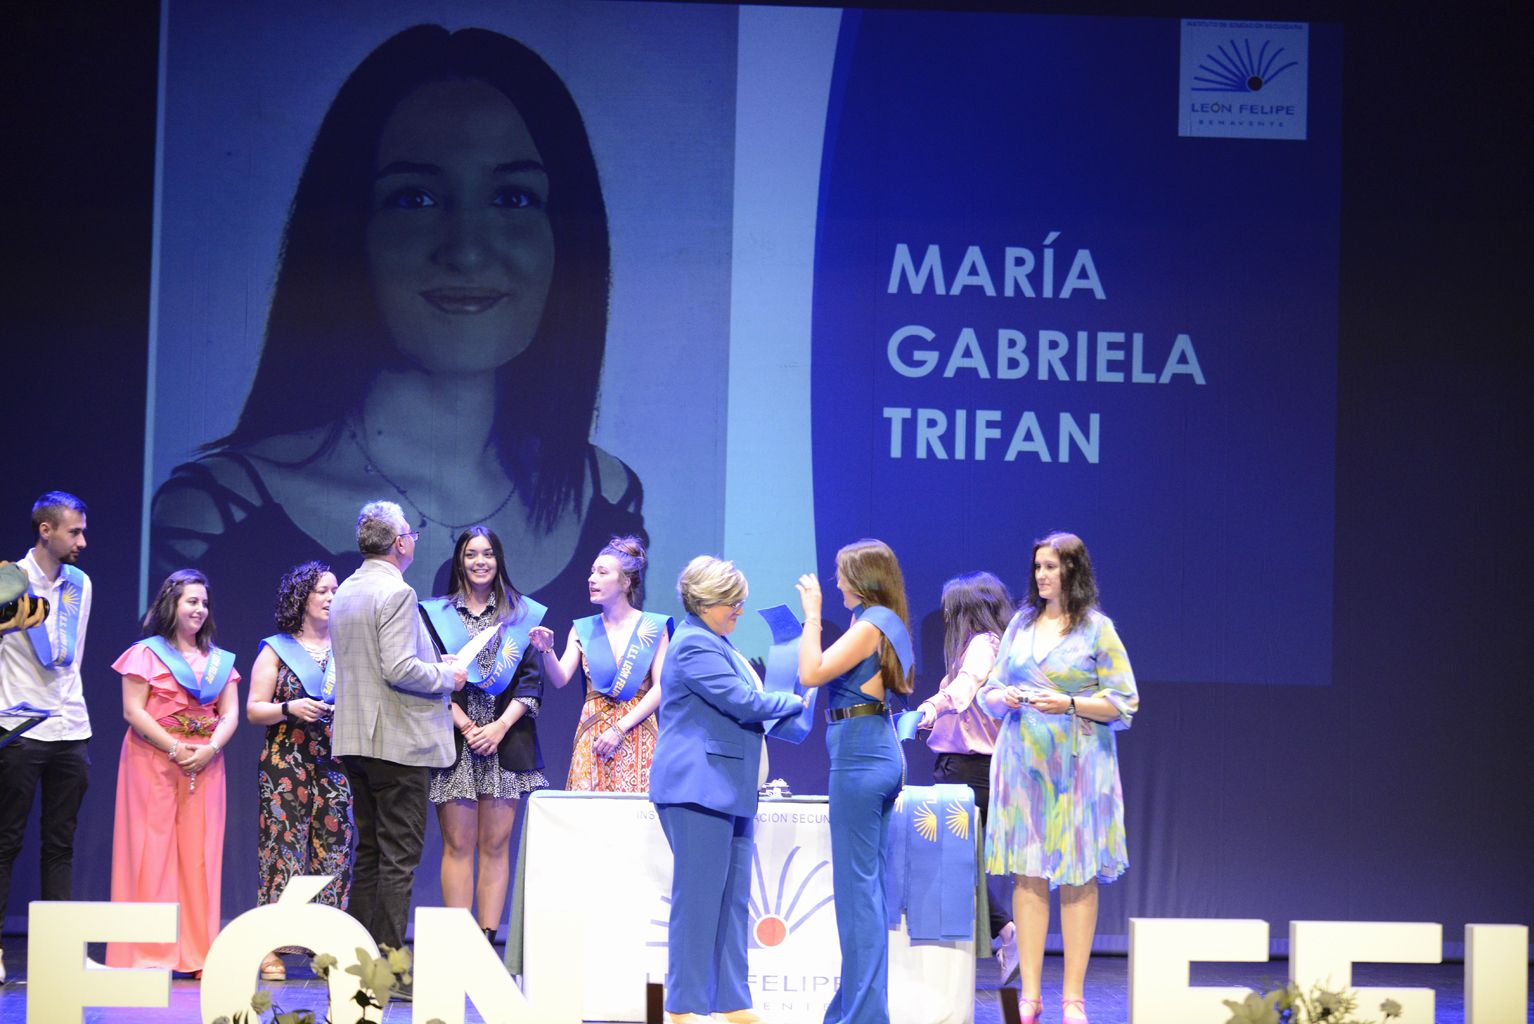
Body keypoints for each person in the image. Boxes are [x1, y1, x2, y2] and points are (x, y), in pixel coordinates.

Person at [148, 25, 644, 664]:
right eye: (415, 197)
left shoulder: (603, 492)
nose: (466, 248)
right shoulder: (217, 509)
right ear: (351, 230)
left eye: (513, 197)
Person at [979, 533, 1138, 1024]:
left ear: (1072, 569)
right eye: (1038, 567)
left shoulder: (1097, 629)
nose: (1042, 575)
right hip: (1023, 761)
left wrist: (1069, 702)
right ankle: (1030, 994)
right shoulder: (1022, 624)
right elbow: (988, 690)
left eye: (1050, 566)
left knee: (1077, 876)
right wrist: (1000, 697)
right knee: (1028, 875)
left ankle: (1073, 997)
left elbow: (1124, 703)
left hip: (1079, 766)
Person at [649, 556, 804, 1024]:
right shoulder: (694, 645)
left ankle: (733, 1003)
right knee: (697, 903)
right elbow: (744, 702)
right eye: (732, 601)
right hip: (697, 788)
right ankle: (682, 1008)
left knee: (733, 903)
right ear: (704, 601)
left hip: (728, 788)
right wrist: (798, 699)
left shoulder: (718, 642)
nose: (739, 609)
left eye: (741, 600)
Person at [330, 501, 467, 979]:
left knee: (370, 853)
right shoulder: (396, 593)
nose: (413, 539)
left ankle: (358, 962)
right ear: (399, 543)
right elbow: (401, 668)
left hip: (356, 741)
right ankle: (387, 967)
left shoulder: (346, 589)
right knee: (397, 859)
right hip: (395, 742)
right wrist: (448, 675)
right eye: (410, 532)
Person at [795, 539, 915, 1024]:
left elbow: (811, 671)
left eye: (843, 574)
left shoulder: (870, 625)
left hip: (861, 758)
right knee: (867, 891)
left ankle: (863, 1016)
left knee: (857, 895)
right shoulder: (884, 622)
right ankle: (855, 1008)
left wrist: (810, 617)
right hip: (875, 749)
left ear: (863, 579)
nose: (835, 582)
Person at [107, 569, 240, 973]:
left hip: (206, 765)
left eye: (204, 602)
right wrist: (176, 748)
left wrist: (211, 747)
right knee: (150, 853)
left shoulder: (220, 661)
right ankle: (148, 952)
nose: (199, 609)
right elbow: (133, 711)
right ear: (172, 604)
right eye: (191, 601)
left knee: (200, 858)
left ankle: (198, 952)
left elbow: (230, 712)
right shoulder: (145, 654)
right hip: (152, 762)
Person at [421, 526, 547, 948]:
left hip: (505, 740)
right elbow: (424, 676)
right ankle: (458, 942)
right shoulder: (432, 615)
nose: (480, 561)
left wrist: (497, 728)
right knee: (458, 843)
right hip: (456, 738)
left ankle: (486, 939)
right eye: (471, 554)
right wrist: (467, 726)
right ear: (460, 560)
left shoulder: (520, 613)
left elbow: (531, 682)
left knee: (495, 845)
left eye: (488, 553)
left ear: (498, 559)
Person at [246, 561, 353, 982]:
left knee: (334, 852)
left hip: (335, 761)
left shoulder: (348, 648)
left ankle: (327, 946)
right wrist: (289, 707)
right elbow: (255, 709)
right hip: (285, 762)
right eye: (323, 590)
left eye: (335, 591)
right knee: (282, 852)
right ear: (302, 598)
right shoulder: (276, 648)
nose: (331, 598)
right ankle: (270, 946)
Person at [0, 492, 92, 983]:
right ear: (45, 530)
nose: (82, 540)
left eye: (81, 530)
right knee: (5, 840)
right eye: (74, 532)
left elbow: (68, 656)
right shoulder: (7, 579)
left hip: (71, 727)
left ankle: (58, 951)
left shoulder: (81, 583)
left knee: (60, 844)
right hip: (18, 725)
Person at [915, 570, 1017, 980]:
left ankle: (1005, 931)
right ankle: (1002, 931)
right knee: (960, 857)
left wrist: (932, 708)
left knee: (958, 857)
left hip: (971, 770)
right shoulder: (991, 645)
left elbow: (964, 687)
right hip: (962, 766)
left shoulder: (982, 645)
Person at [530, 536, 669, 792]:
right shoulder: (582, 629)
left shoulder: (652, 627)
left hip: (636, 731)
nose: (591, 579)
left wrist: (619, 728)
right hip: (592, 735)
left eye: (602, 573)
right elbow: (560, 679)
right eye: (592, 572)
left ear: (626, 581)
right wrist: (547, 649)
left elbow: (661, 687)